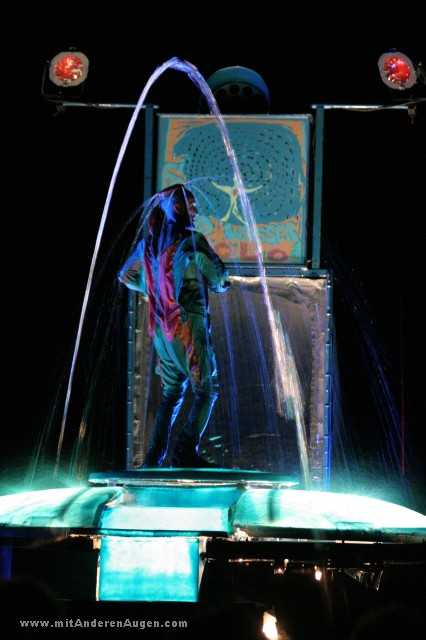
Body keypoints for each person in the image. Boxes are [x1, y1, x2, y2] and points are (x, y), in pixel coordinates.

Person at [118, 183, 230, 468]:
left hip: (161, 333)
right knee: (207, 388)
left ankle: (152, 459)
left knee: (171, 395)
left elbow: (125, 276)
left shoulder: (148, 245)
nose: (196, 212)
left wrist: (154, 288)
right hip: (187, 328)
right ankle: (184, 451)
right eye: (192, 207)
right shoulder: (192, 240)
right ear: (177, 208)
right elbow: (218, 279)